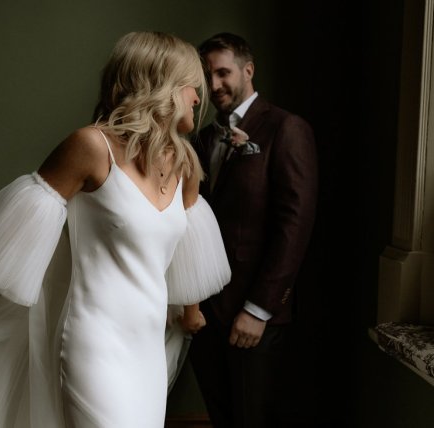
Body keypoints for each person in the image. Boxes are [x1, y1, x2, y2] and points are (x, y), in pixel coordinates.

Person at [0, 31, 232, 428]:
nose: (199, 95)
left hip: (147, 352)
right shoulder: (91, 147)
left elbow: (185, 254)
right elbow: (13, 233)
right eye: (191, 84)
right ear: (162, 86)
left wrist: (191, 313)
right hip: (93, 343)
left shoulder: (185, 165)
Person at [188, 32, 318, 428]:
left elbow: (294, 224)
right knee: (221, 416)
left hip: (253, 311)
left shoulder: (286, 128)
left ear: (248, 70)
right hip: (206, 310)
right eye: (207, 76)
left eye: (223, 73)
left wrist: (260, 308)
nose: (214, 86)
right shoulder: (204, 137)